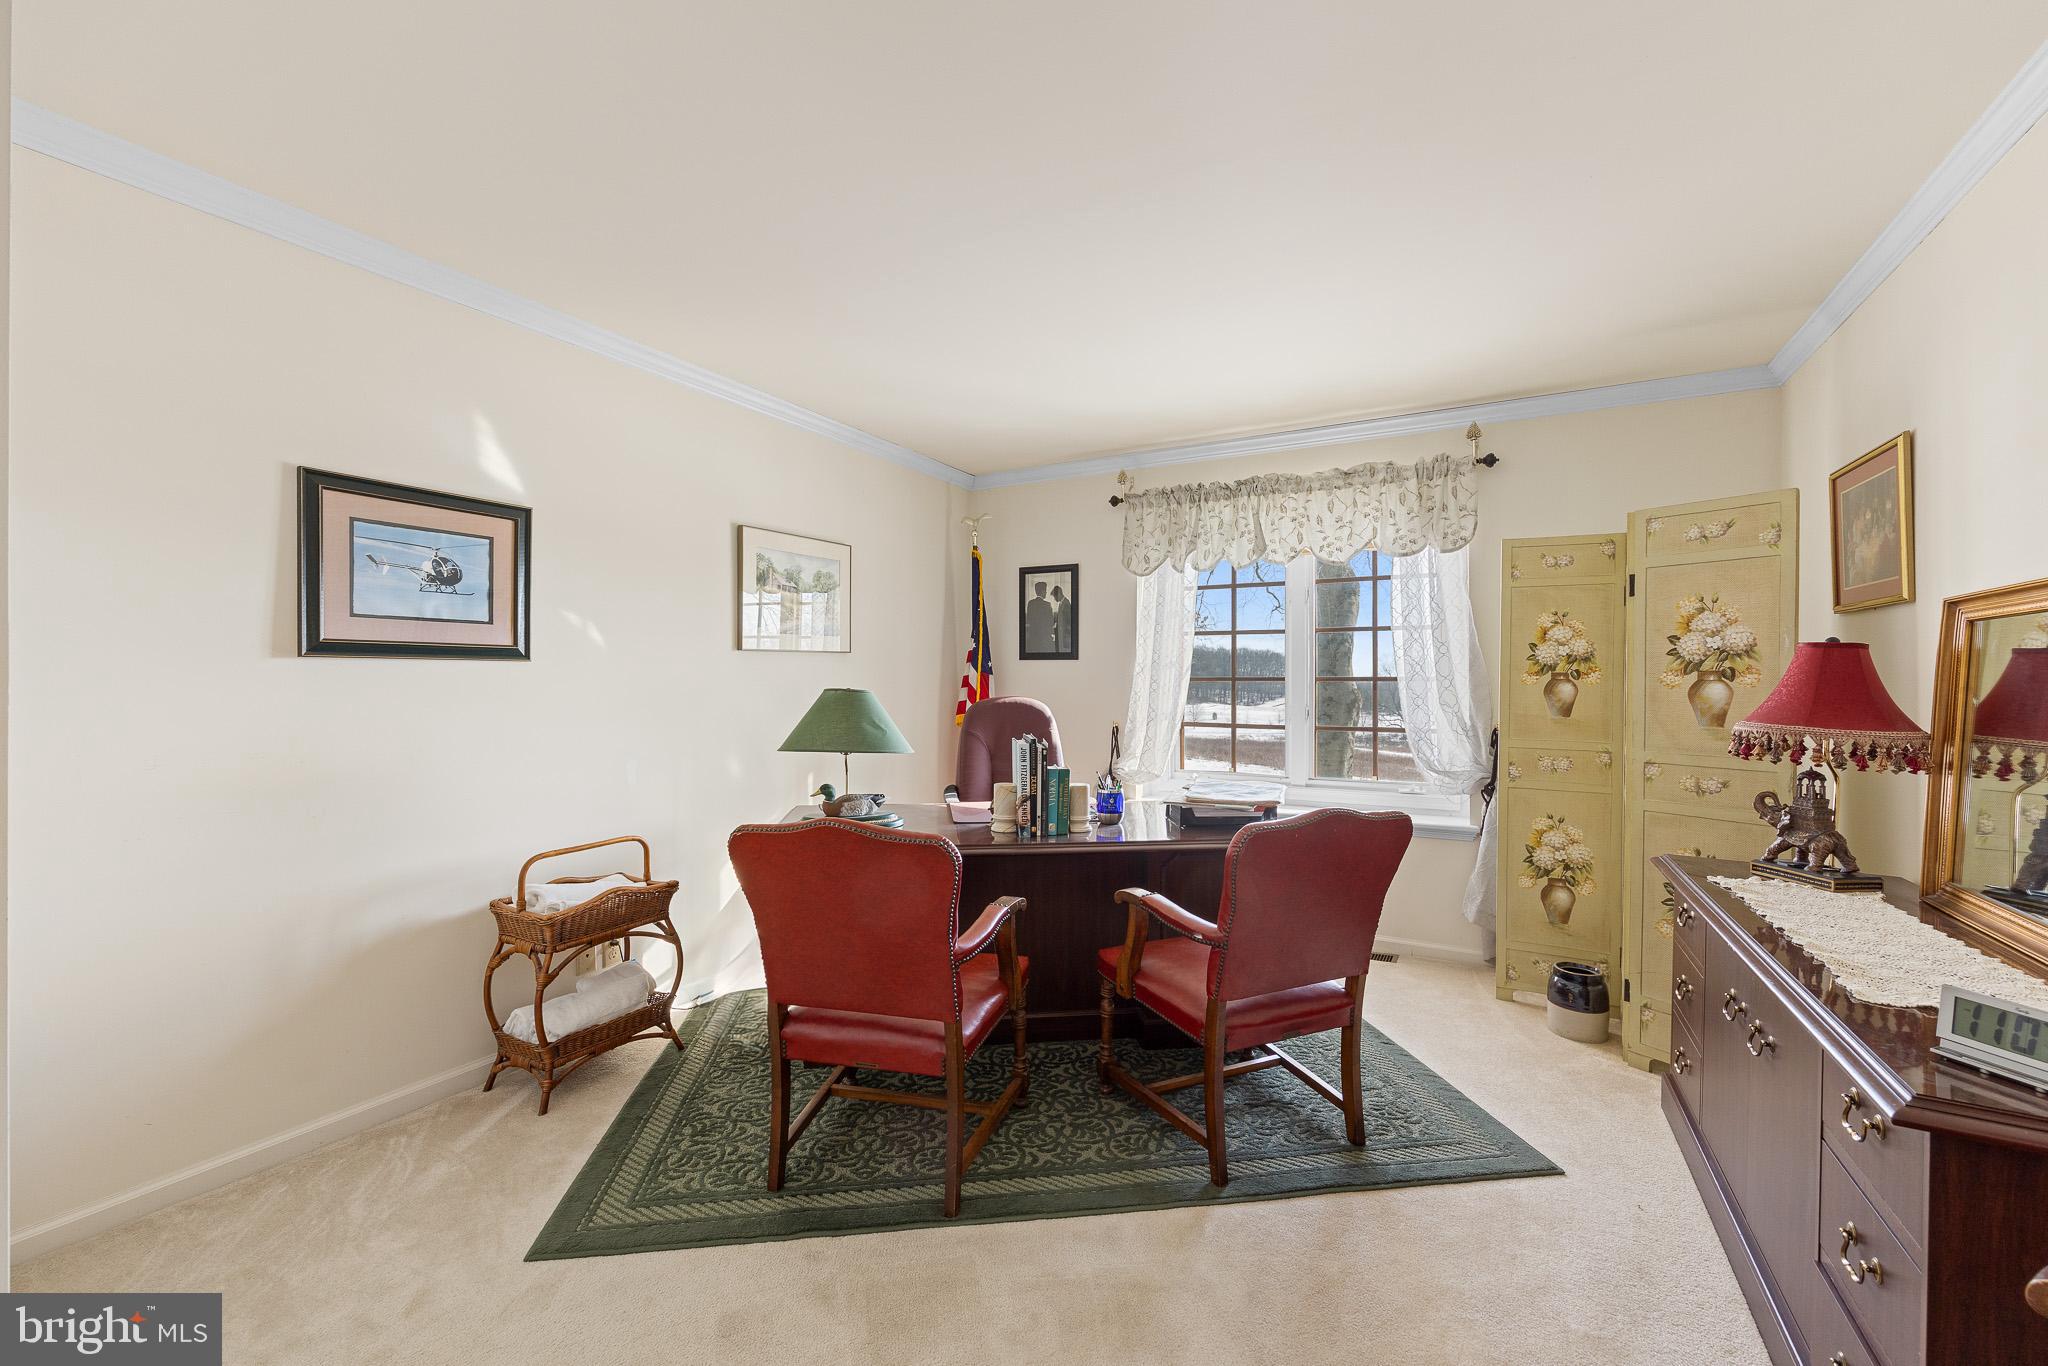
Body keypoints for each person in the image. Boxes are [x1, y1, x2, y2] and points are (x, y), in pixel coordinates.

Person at [1025, 580, 1056, 654]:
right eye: (1045, 591)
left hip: (1033, 637)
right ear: (1042, 591)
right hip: (1044, 638)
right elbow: (1051, 622)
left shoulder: (1030, 603)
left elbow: (1029, 619)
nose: (1046, 593)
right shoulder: (1047, 604)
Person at [1051, 584, 1072, 654]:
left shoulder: (1066, 603)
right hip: (1061, 634)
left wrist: (1066, 636)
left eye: (1055, 596)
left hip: (1064, 636)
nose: (1054, 599)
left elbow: (1069, 622)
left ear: (1059, 594)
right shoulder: (1061, 603)